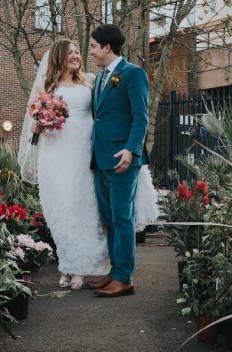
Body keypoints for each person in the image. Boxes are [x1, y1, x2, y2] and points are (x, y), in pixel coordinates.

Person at [17, 37, 159, 292]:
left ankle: (93, 267)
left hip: (87, 149)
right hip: (58, 149)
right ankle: (69, 265)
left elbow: (108, 113)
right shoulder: (45, 84)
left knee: (88, 208)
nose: (77, 55)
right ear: (58, 56)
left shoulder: (91, 80)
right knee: (64, 208)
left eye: (78, 50)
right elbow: (35, 120)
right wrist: (40, 123)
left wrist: (129, 145)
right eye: (70, 52)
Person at [86, 24, 150, 298]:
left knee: (123, 218)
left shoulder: (133, 74)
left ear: (106, 47)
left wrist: (131, 150)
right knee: (109, 218)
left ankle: (125, 278)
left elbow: (141, 117)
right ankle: (115, 271)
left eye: (93, 46)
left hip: (123, 158)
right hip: (100, 157)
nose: (91, 51)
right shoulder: (101, 78)